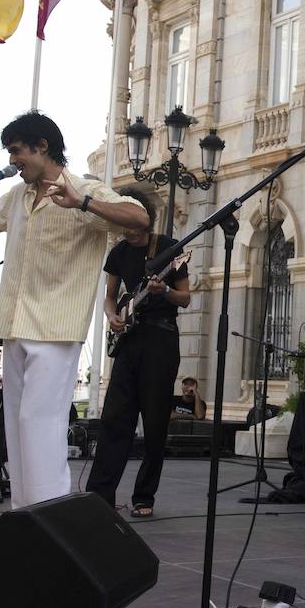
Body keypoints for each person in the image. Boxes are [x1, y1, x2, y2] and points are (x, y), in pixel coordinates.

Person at [0, 111, 148, 508]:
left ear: (42, 147)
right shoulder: (18, 196)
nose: (12, 161)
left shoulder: (81, 190)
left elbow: (139, 217)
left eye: (16, 152)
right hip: (16, 324)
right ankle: (24, 512)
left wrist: (84, 203)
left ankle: (51, 514)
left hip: (56, 330)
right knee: (18, 425)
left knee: (39, 423)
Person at [85, 194, 191, 518]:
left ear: (146, 218)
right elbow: (109, 297)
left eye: (132, 223)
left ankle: (144, 496)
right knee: (115, 418)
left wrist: (165, 292)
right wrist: (112, 316)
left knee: (155, 421)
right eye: (122, 225)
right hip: (129, 340)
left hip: (161, 338)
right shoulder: (117, 253)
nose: (127, 231)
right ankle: (99, 497)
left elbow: (185, 298)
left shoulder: (170, 248)